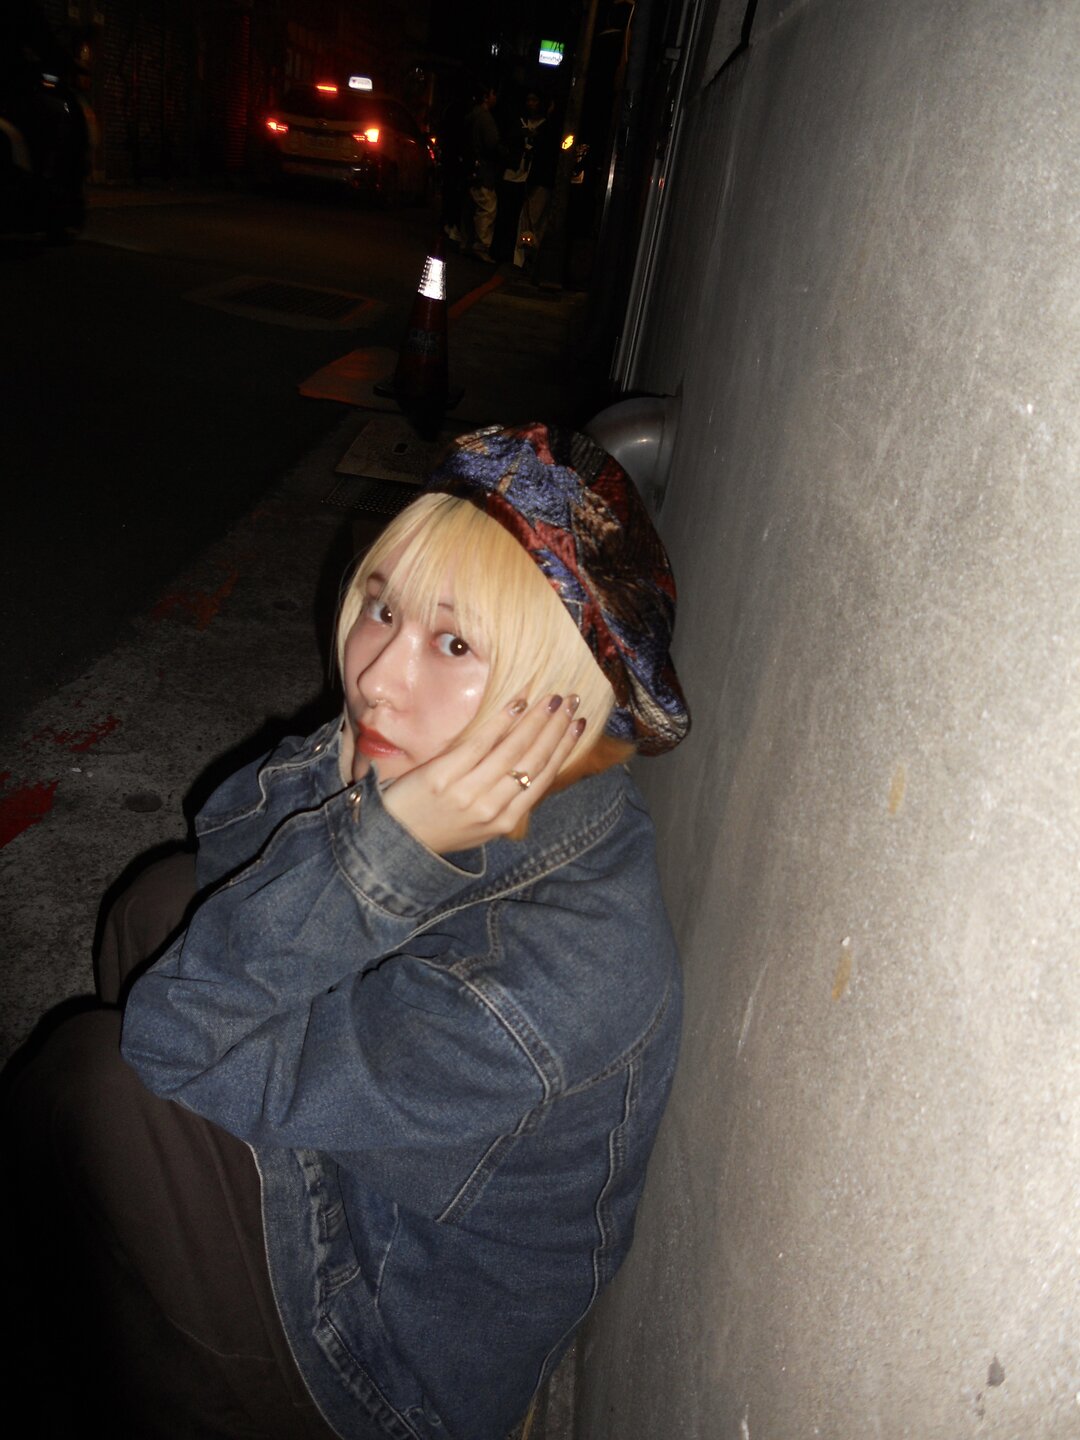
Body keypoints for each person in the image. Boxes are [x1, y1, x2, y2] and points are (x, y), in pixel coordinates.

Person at [3, 423, 690, 1440]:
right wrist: (369, 805)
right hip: (374, 1185)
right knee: (163, 904)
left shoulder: (543, 985)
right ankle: (126, 1275)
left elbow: (175, 1035)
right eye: (382, 607)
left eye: (454, 644)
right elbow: (227, 845)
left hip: (386, 1361)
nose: (376, 676)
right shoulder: (522, 764)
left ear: (558, 693)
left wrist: (385, 846)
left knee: (94, 1085)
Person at [463, 84, 503, 264]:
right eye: (494, 94)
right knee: (487, 208)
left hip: (471, 167)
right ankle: (480, 246)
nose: (496, 98)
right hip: (483, 169)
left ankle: (466, 242)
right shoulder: (485, 118)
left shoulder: (471, 115)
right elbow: (492, 144)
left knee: (471, 205)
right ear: (487, 96)